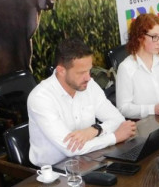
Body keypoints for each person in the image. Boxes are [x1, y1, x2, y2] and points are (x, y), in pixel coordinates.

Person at [27, 38, 137, 166]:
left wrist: (95, 130)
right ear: (61, 70)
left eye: (89, 70)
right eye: (81, 73)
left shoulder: (88, 85)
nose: (88, 77)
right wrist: (115, 137)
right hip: (53, 172)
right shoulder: (40, 98)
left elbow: (118, 120)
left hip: (90, 158)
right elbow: (71, 149)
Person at [116, 13, 159, 119]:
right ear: (140, 37)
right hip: (145, 127)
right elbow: (123, 108)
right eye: (154, 37)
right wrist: (153, 109)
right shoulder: (126, 68)